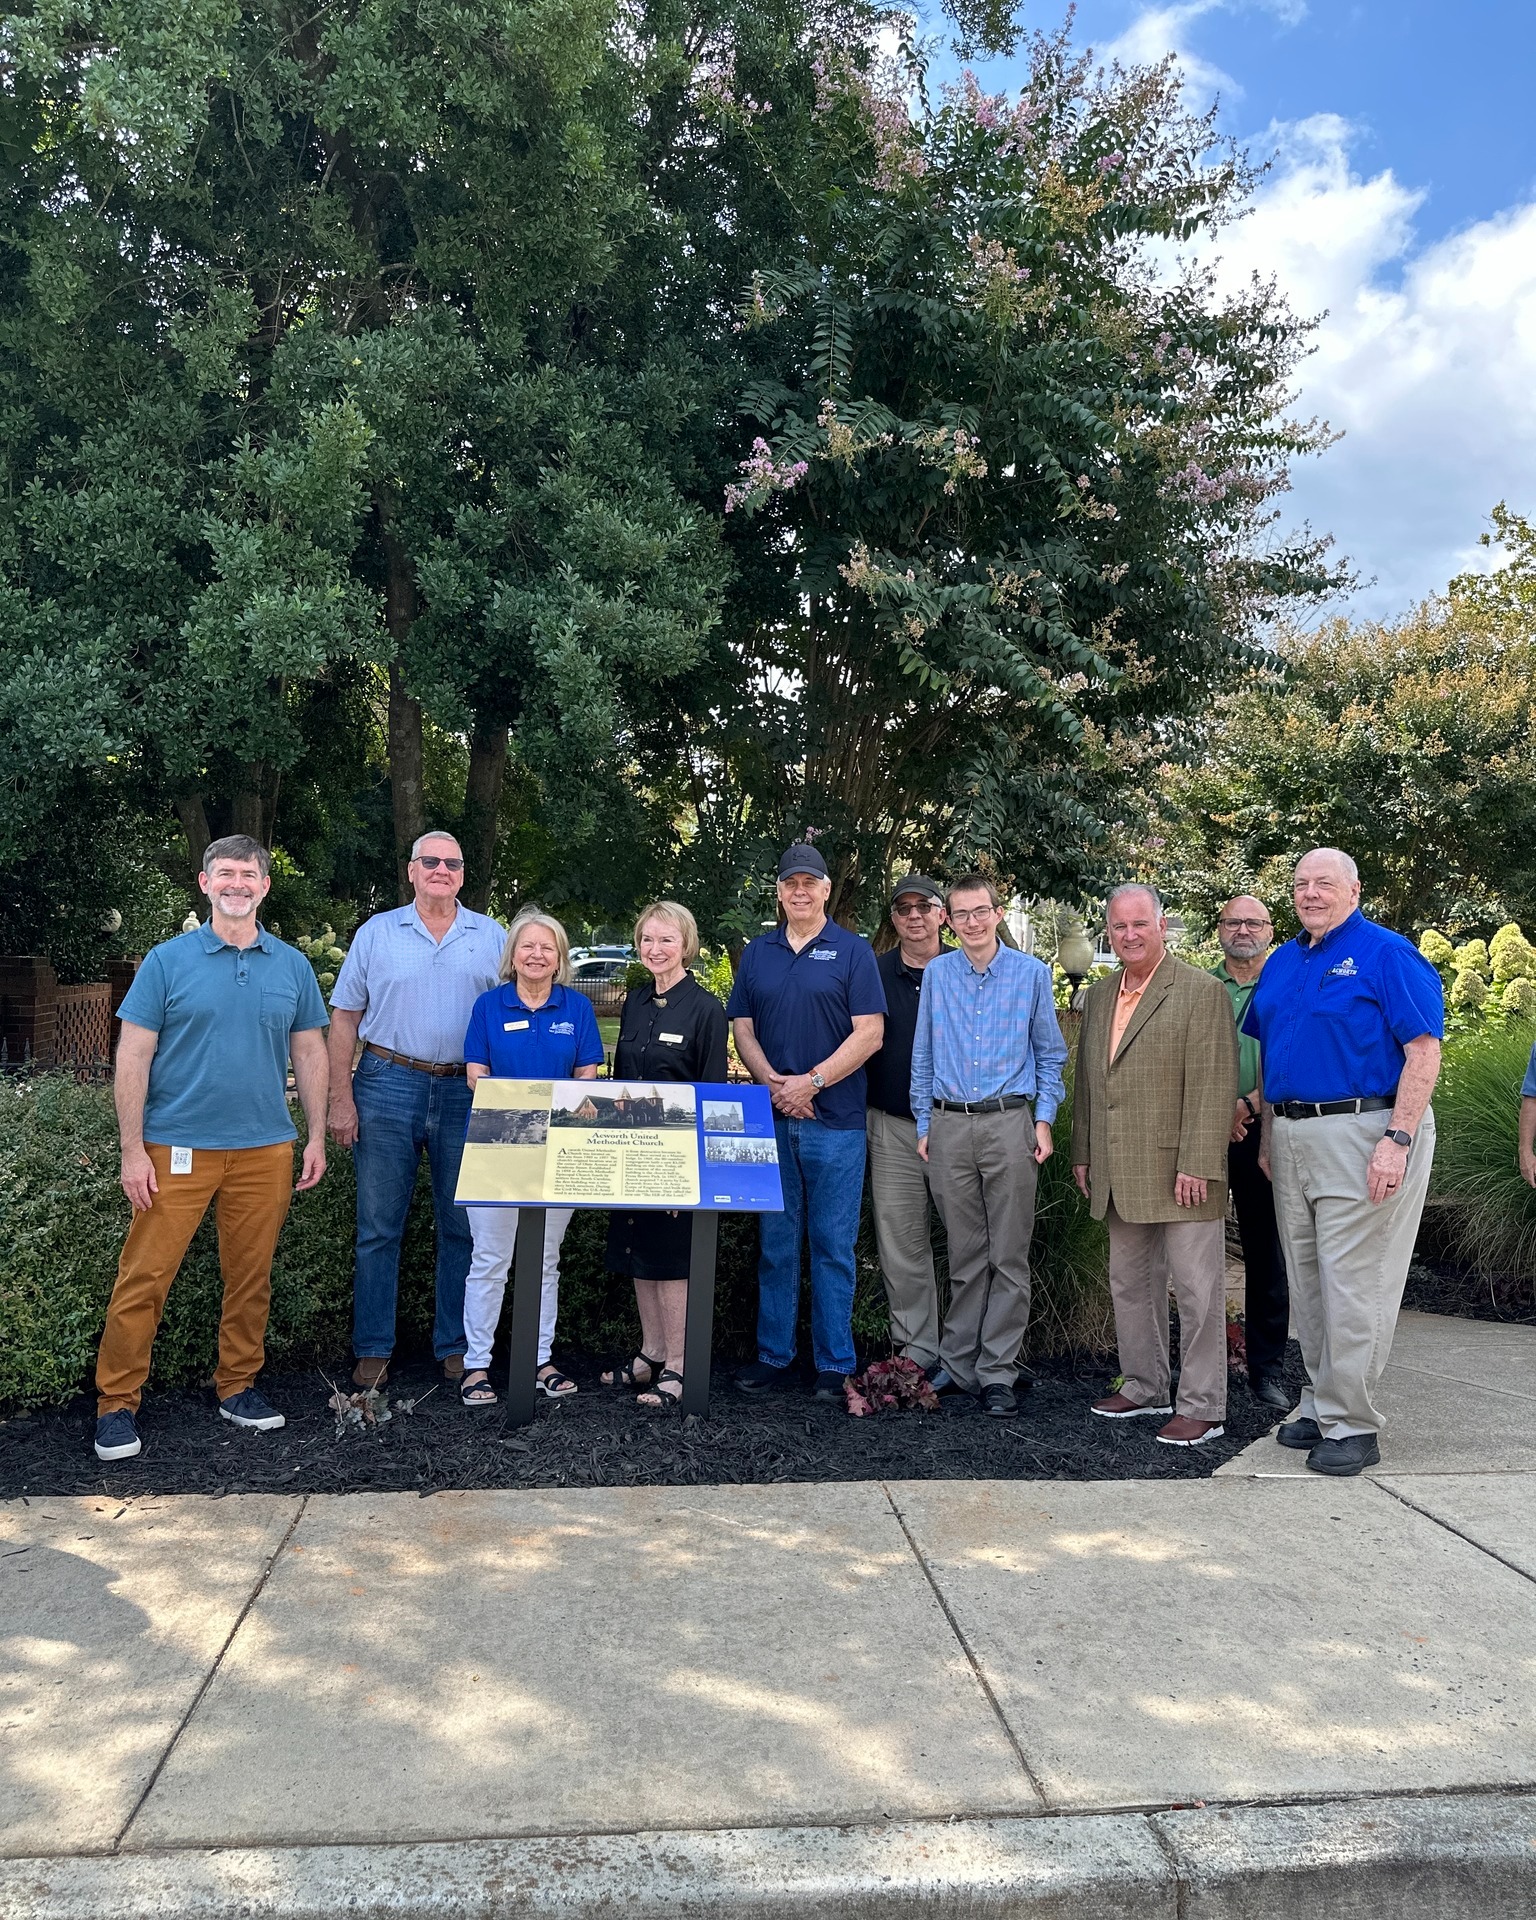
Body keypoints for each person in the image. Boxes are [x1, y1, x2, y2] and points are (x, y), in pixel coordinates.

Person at [93, 836, 329, 1462]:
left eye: (249, 874)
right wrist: (132, 1150)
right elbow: (133, 1054)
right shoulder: (166, 962)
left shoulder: (292, 966)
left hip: (266, 1149)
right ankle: (116, 1404)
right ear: (204, 883)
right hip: (175, 1147)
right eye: (225, 873)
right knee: (145, 1277)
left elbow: (310, 1052)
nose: (237, 884)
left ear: (265, 886)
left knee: (250, 1277)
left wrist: (315, 1135)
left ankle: (238, 1386)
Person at [1246, 848, 1444, 1476]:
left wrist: (1398, 1139)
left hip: (1367, 1130)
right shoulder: (1283, 960)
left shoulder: (1387, 954)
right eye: (1301, 883)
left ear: (1354, 890)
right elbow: (1273, 1058)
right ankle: (1321, 1400)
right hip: (1292, 1132)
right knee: (1308, 1281)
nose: (1310, 893)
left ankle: (1353, 1423)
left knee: (1354, 1282)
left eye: (1324, 883)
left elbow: (1423, 1051)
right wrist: (1269, 1136)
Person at [327, 831, 504, 1389]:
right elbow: (344, 1018)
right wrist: (340, 1097)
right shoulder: (377, 933)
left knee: (463, 1227)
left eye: (452, 862)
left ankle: (457, 1345)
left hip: (467, 1091)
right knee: (378, 1228)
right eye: (430, 861)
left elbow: (516, 1009)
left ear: (463, 874)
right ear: (411, 870)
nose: (441, 870)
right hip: (387, 1082)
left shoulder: (492, 936)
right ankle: (373, 1347)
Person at [1071, 884, 1238, 1447]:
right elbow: (1091, 1083)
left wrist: (1199, 1163)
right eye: (1118, 926)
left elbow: (1215, 1085)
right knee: (1131, 1283)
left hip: (1183, 1172)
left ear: (1162, 925)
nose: (1129, 935)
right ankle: (1144, 1385)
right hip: (1119, 1168)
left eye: (1139, 923)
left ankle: (1203, 1405)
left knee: (1197, 1292)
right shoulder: (1099, 996)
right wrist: (1084, 1151)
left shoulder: (1200, 990)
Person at [727, 844, 886, 1400]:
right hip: (771, 1118)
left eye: (809, 883)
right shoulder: (758, 953)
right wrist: (774, 1082)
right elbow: (742, 1026)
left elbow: (870, 1033)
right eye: (790, 883)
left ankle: (834, 1363)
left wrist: (811, 1082)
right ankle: (774, 1355)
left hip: (835, 1123)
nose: (800, 891)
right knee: (776, 1244)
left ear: (825, 890)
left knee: (832, 1247)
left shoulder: (854, 951)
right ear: (779, 891)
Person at [911, 874, 1068, 1419]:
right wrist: (924, 1123)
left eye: (981, 911)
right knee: (964, 1254)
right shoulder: (938, 974)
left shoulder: (1031, 974)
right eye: (961, 914)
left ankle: (998, 1369)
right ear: (948, 921)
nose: (972, 922)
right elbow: (923, 1054)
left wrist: (1043, 1121)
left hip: (1009, 1124)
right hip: (949, 1126)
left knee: (1008, 1255)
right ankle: (959, 1365)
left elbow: (1050, 1054)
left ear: (998, 913)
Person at [459, 910, 604, 1406]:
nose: (537, 955)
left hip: (558, 1151)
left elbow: (587, 1076)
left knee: (544, 1261)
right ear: (512, 955)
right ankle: (476, 1365)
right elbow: (476, 1074)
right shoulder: (488, 1006)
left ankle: (539, 1360)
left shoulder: (577, 1008)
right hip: (495, 1146)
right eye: (528, 946)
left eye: (547, 947)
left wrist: (550, 1114)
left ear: (560, 958)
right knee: (489, 1260)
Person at [599, 902, 729, 1409]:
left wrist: (690, 1174)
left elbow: (711, 1093)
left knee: (672, 1259)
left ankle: (678, 1364)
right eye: (647, 939)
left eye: (666, 939)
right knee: (640, 1251)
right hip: (630, 1153)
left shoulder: (706, 1009)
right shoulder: (634, 1002)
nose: (656, 949)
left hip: (675, 1161)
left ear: (686, 945)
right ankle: (650, 1353)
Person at [864, 876, 948, 1375]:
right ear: (893, 919)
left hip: (957, 1126)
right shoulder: (872, 974)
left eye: (924, 906)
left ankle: (968, 1354)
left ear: (942, 915)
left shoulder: (966, 968)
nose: (914, 915)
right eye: (903, 908)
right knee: (901, 1244)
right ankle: (917, 1352)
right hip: (893, 1126)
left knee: (971, 1244)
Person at [1213, 895, 1291, 1411]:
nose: (1243, 930)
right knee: (1193, 1250)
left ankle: (1266, 1369)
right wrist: (1218, 1110)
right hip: (1203, 1128)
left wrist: (1246, 1105)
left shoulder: (1288, 982)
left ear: (1270, 929)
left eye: (1253, 922)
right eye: (1233, 922)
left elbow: (1294, 1058)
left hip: (1264, 1128)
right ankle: (1199, 1363)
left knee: (1265, 1250)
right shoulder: (1199, 987)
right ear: (1219, 930)